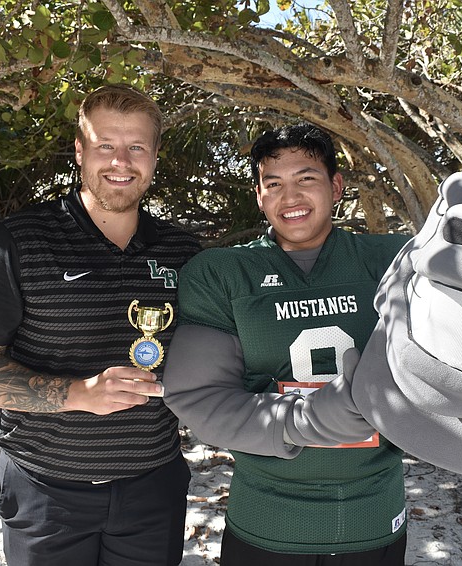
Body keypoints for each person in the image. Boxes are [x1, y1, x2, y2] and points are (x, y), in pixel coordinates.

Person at [0, 85, 201, 566]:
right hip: (46, 493)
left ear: (155, 156)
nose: (120, 161)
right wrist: (78, 393)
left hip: (154, 487)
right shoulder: (16, 242)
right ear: (80, 150)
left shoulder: (185, 253)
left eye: (136, 147)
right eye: (105, 145)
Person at [162, 123, 411, 565]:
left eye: (306, 179)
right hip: (267, 519)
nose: (290, 198)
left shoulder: (395, 260)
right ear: (259, 197)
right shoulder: (223, 274)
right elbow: (201, 398)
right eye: (273, 184)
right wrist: (307, 420)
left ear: (336, 187)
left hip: (374, 516)